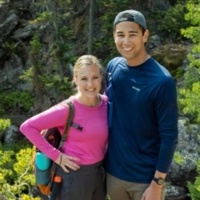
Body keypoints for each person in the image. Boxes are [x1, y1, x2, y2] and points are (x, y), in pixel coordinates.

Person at [105, 10, 178, 200]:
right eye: (120, 35)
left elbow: (169, 136)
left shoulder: (162, 81)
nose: (126, 41)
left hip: (145, 181)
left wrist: (157, 183)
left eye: (132, 34)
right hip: (113, 176)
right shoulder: (113, 67)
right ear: (114, 36)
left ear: (145, 36)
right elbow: (101, 106)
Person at [20, 55, 108, 200]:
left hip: (100, 173)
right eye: (84, 79)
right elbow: (27, 127)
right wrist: (57, 156)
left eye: (95, 77)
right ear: (75, 79)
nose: (90, 84)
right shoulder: (67, 109)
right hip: (74, 176)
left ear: (100, 77)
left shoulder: (106, 104)